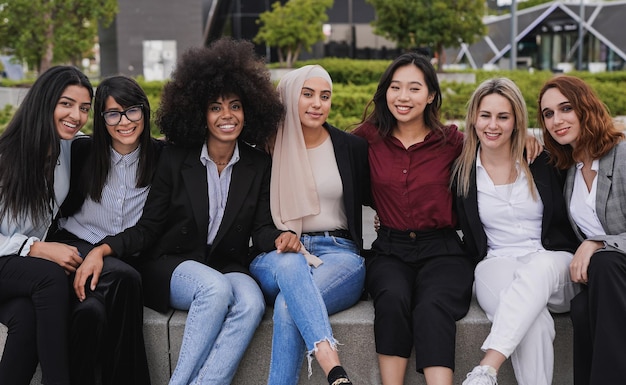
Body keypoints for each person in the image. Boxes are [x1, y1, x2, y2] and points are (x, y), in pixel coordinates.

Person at [80, 37, 297, 385]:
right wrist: (104, 248)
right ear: (199, 112)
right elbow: (149, 227)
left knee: (252, 304)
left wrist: (282, 238)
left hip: (227, 264)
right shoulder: (175, 158)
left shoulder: (258, 164)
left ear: (250, 110)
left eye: (236, 106)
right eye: (216, 107)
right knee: (214, 290)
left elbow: (261, 229)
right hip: (171, 262)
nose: (227, 116)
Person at [352, 52, 475, 385]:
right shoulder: (366, 138)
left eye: (414, 88)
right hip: (390, 249)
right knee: (392, 299)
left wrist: (532, 146)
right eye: (395, 87)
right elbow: (320, 148)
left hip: (444, 251)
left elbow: (499, 150)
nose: (403, 97)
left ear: (431, 95)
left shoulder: (453, 142)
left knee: (433, 305)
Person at [452, 78, 580, 385]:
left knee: (539, 267)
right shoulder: (461, 172)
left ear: (516, 121)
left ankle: (487, 366)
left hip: (553, 264)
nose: (492, 125)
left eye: (503, 117)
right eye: (485, 115)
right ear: (473, 118)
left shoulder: (543, 160)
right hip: (497, 264)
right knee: (534, 322)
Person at [249, 65, 370, 385]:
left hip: (339, 253)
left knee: (291, 305)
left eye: (325, 96)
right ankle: (334, 367)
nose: (318, 103)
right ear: (289, 96)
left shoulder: (350, 148)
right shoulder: (266, 149)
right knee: (291, 271)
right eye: (308, 94)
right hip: (278, 258)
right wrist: (279, 237)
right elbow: (258, 227)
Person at [48, 75, 163, 385]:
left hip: (122, 253)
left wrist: (103, 251)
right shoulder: (82, 151)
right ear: (102, 119)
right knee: (124, 279)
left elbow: (149, 229)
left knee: (91, 314)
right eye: (113, 113)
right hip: (73, 248)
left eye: (132, 111)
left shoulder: (161, 158)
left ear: (144, 111)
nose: (124, 122)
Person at [0, 66, 93, 385]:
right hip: (12, 260)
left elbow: (125, 141)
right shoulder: (5, 155)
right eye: (66, 103)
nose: (76, 115)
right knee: (51, 277)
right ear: (45, 101)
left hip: (17, 271)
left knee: (25, 318)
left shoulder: (68, 145)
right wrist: (34, 247)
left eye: (84, 108)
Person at [538, 75, 626, 385]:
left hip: (613, 266)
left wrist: (597, 243)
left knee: (603, 263)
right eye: (548, 114)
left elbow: (600, 246)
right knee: (581, 307)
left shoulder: (622, 154)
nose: (556, 120)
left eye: (565, 108)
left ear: (585, 108)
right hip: (605, 278)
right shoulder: (569, 168)